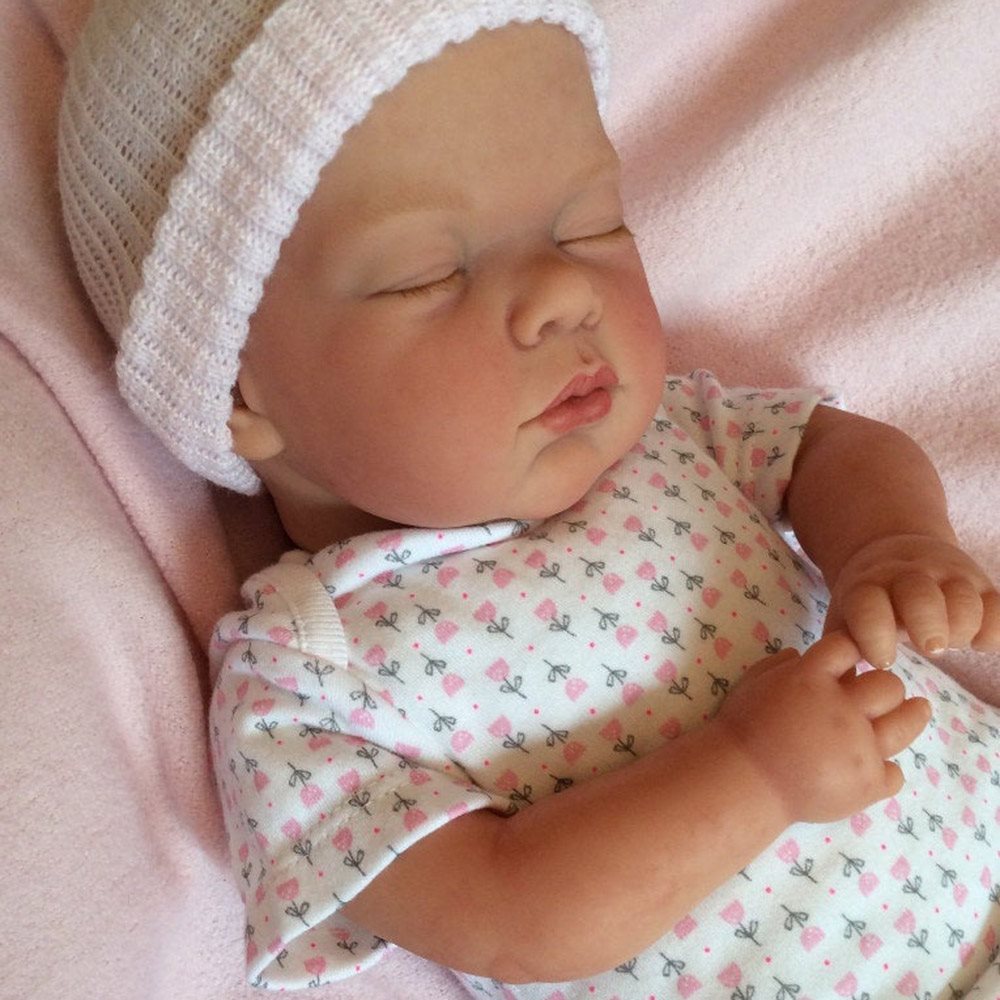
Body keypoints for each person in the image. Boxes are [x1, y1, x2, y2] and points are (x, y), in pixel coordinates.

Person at [57, 1, 1000, 997]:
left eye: (591, 226)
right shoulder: (306, 680)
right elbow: (508, 920)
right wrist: (754, 773)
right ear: (241, 392)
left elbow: (826, 445)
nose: (563, 292)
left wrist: (890, 542)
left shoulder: (670, 433)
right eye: (431, 273)